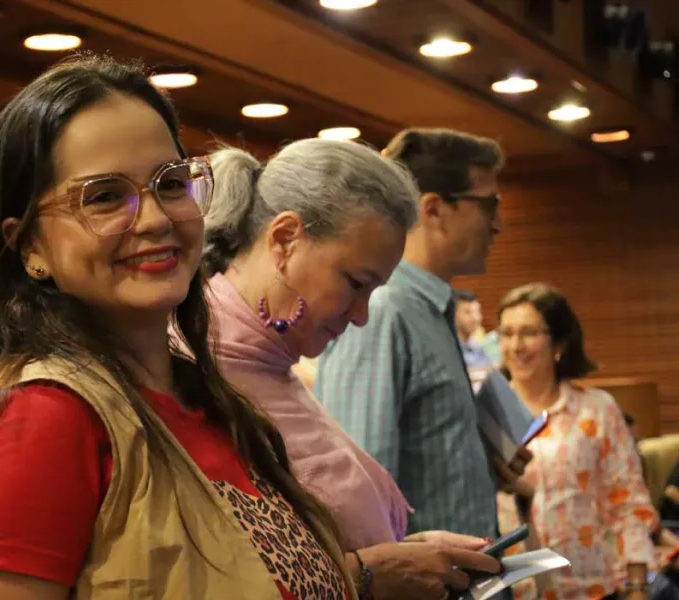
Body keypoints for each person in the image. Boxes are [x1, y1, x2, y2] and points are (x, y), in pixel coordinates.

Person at [0, 56, 353, 600]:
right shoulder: (36, 420)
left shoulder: (210, 400)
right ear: (29, 245)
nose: (155, 219)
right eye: (105, 197)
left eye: (171, 183)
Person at [202, 140, 501, 600]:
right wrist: (368, 574)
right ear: (285, 240)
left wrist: (406, 555)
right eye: (355, 284)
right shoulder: (192, 370)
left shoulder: (269, 361)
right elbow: (210, 576)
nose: (361, 314)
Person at [316, 127, 529, 541]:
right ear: (433, 209)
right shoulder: (383, 313)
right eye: (489, 205)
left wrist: (478, 463)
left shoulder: (431, 309)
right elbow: (358, 491)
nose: (499, 223)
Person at [496, 282, 656, 600]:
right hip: (512, 590)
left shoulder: (596, 409)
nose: (515, 345)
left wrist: (638, 586)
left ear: (559, 342)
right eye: (506, 333)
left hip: (592, 588)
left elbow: (628, 502)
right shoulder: (486, 412)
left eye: (528, 332)